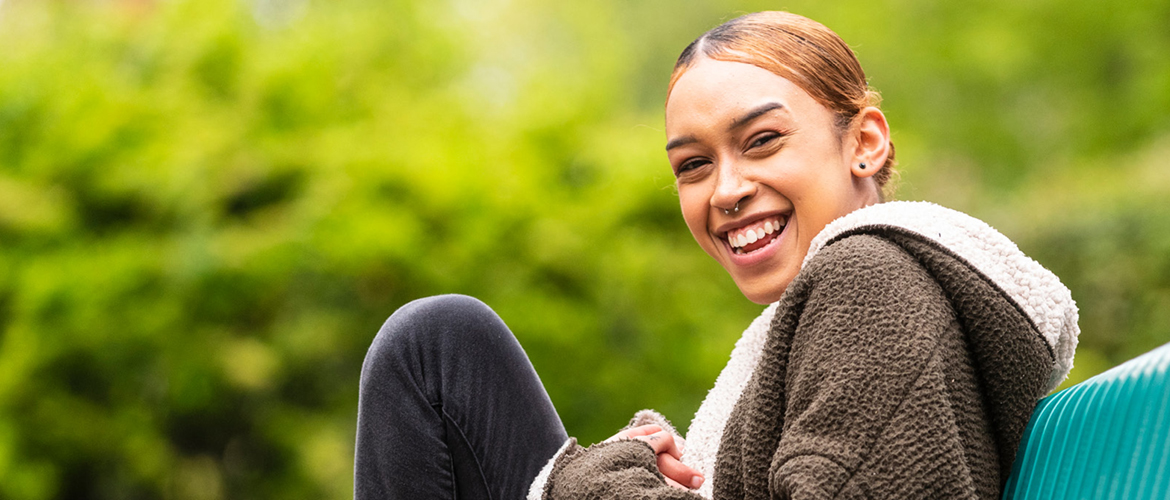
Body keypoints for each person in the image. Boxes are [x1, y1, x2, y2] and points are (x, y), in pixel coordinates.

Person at [353, 11, 1079, 500]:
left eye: (761, 141)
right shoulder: (821, 311)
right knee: (440, 346)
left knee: (435, 350)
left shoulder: (873, 278)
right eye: (693, 166)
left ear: (864, 141)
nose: (725, 190)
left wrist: (601, 485)